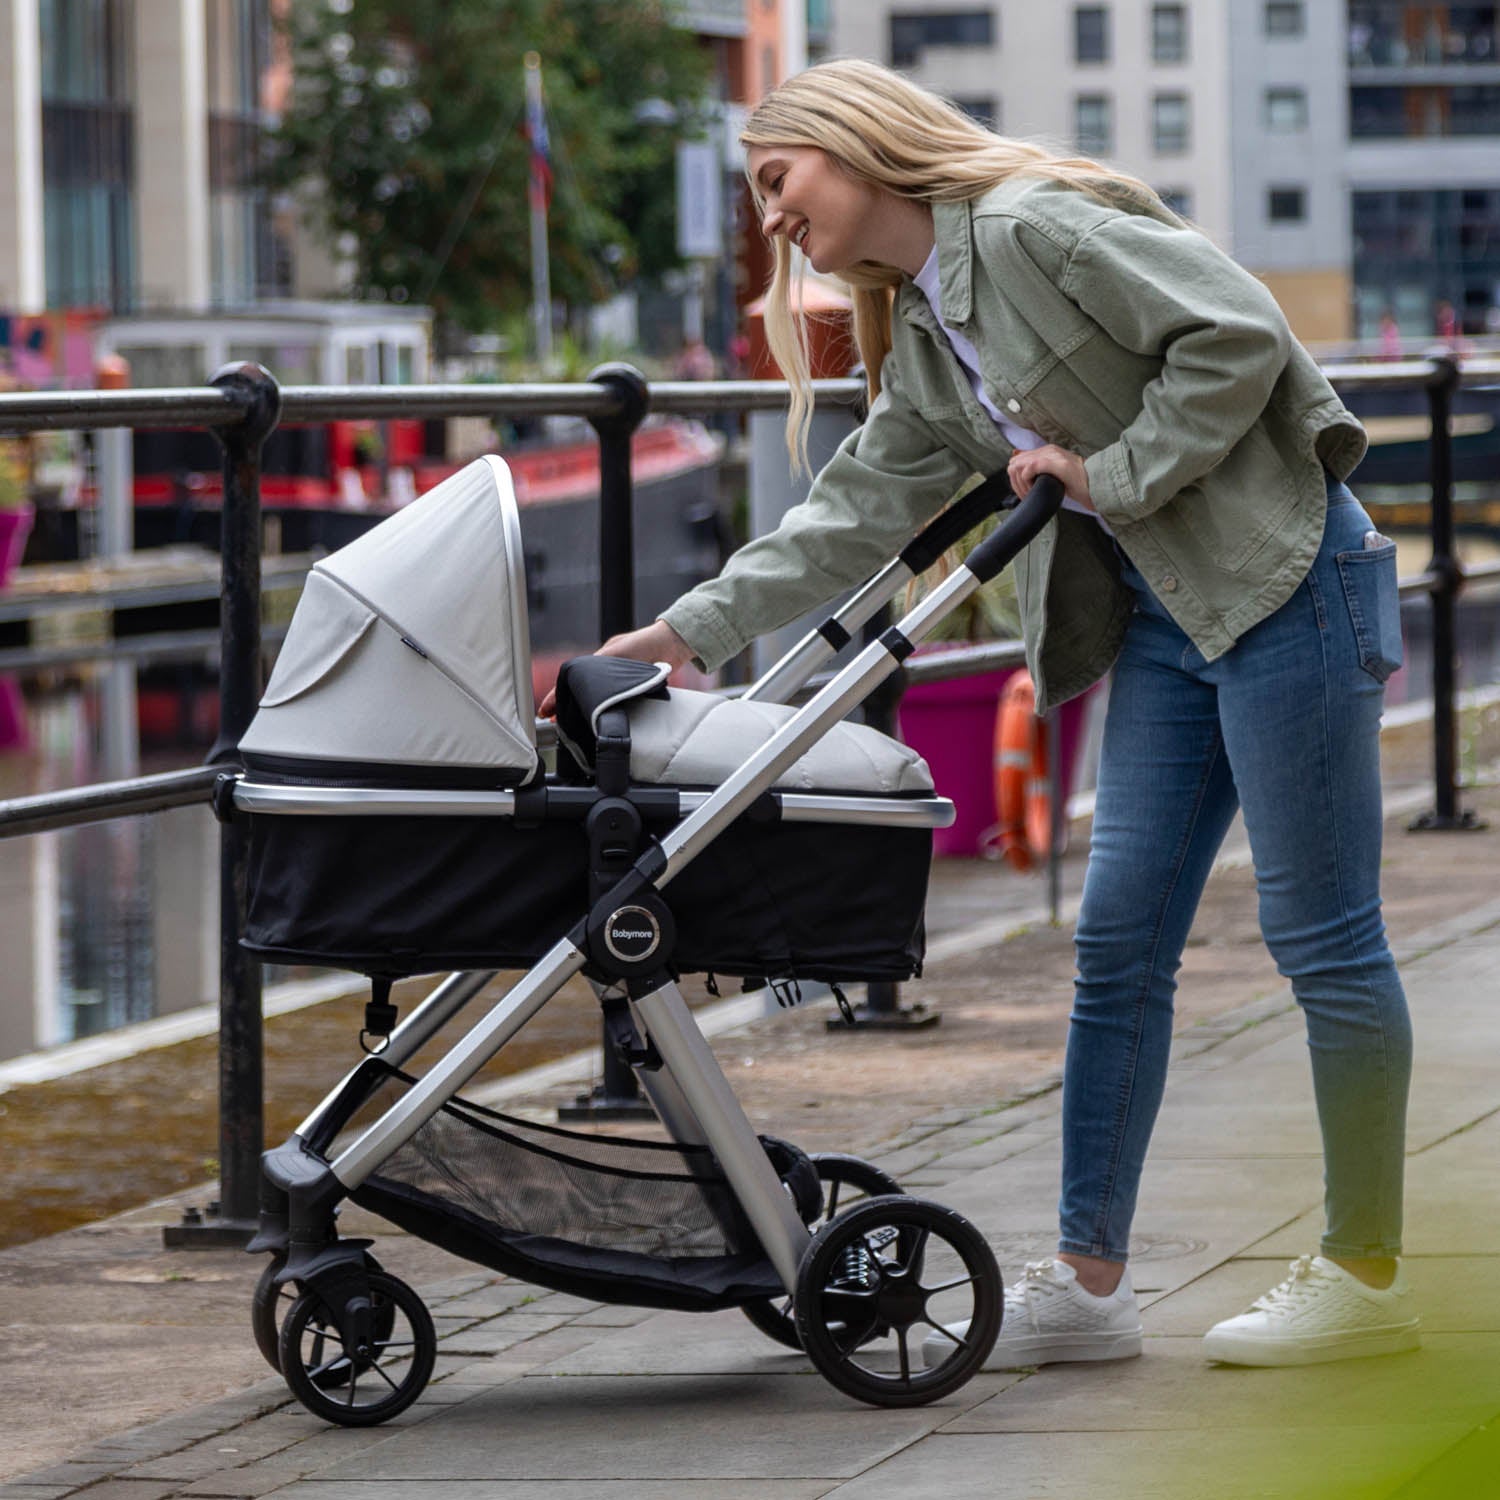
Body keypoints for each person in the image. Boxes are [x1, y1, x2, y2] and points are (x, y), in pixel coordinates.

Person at [547, 59, 1416, 1370]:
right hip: (1168, 620)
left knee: (1323, 934)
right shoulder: (926, 344)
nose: (772, 218)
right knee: (1117, 944)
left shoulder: (1025, 226)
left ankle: (1365, 1273)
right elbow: (850, 512)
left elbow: (1237, 335)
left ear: (851, 146)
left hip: (1288, 577)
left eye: (778, 183)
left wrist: (1102, 472)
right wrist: (684, 633)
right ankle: (1089, 1282)